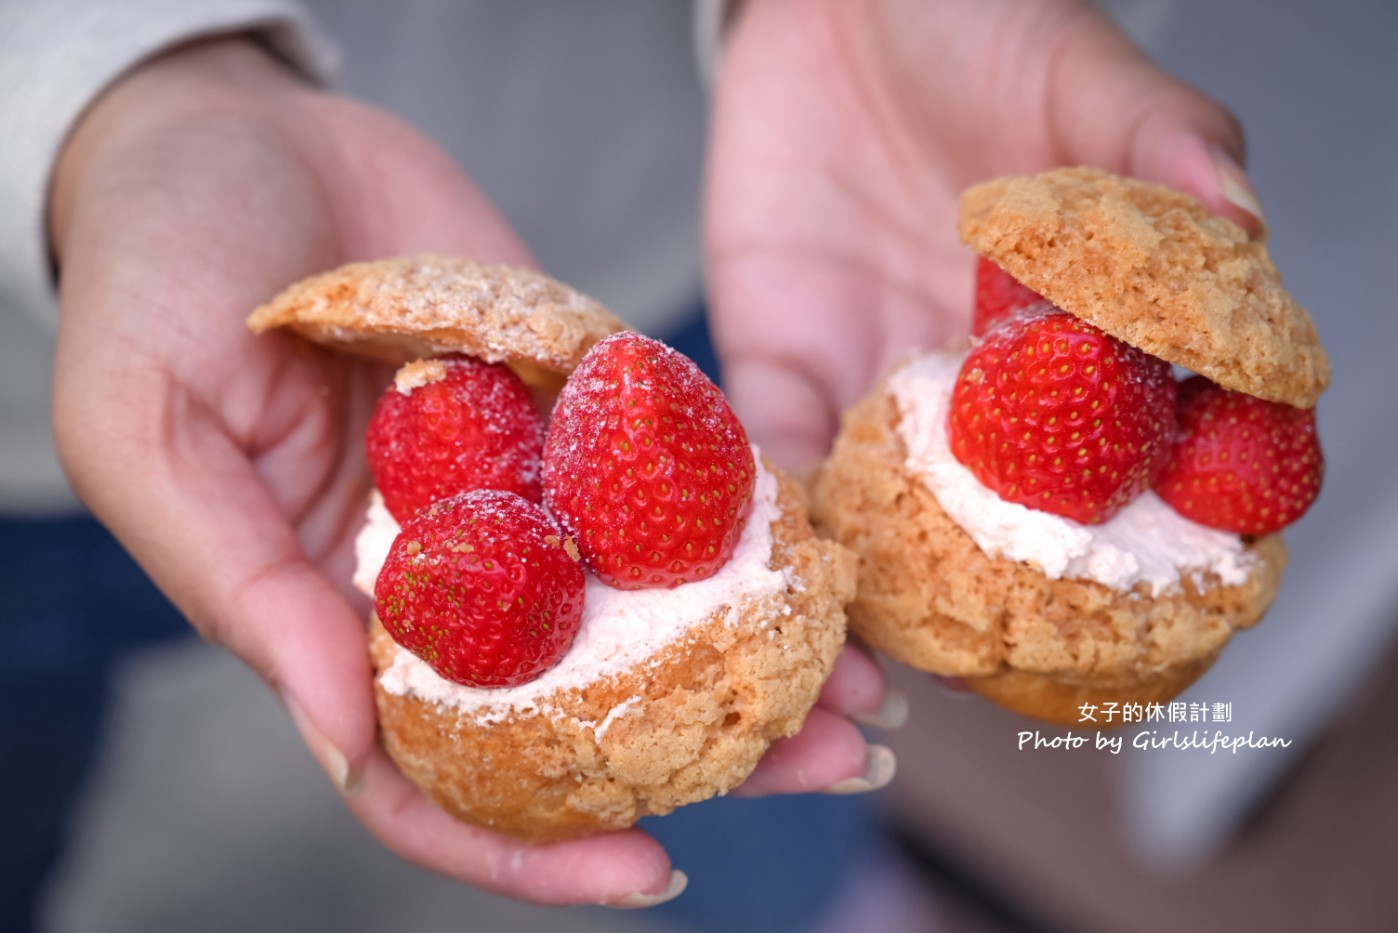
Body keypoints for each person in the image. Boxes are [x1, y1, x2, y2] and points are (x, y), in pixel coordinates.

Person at [3, 0, 1307, 927]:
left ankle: (809, 908)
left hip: (707, 194)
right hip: (38, 419)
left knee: (762, 791)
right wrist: (100, 94)